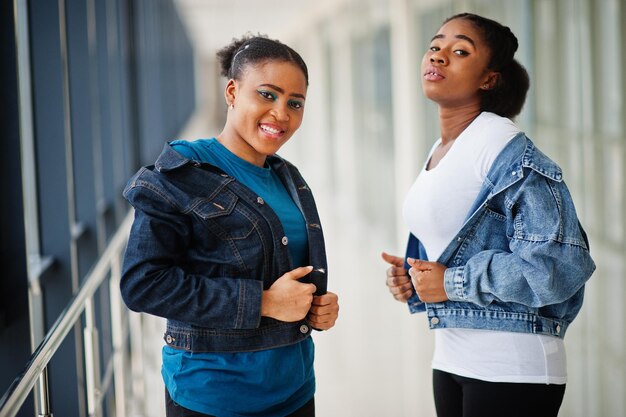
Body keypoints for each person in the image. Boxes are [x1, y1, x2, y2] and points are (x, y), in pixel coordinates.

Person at [381, 13, 595, 417]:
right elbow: (458, 243)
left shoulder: (502, 146)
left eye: (460, 51)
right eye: (435, 46)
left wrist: (452, 282)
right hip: (451, 355)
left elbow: (559, 265)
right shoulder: (442, 147)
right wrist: (416, 280)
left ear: (488, 79)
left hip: (512, 366)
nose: (439, 56)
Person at [121, 34, 339, 417]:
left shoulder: (288, 176)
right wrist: (266, 302)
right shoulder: (182, 174)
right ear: (233, 91)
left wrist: (317, 306)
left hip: (295, 388)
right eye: (268, 95)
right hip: (213, 396)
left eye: (295, 102)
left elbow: (286, 269)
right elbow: (143, 284)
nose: (282, 114)